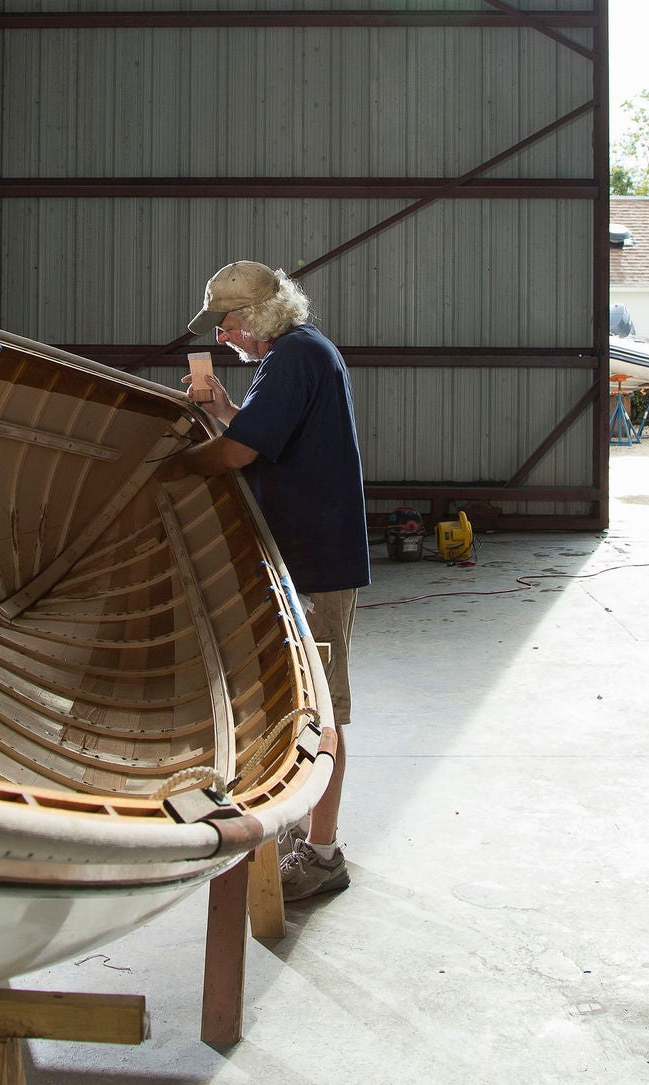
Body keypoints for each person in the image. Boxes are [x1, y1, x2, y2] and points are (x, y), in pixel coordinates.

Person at [166, 261, 369, 901]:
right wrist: (225, 408)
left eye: (225, 324)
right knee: (296, 701)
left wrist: (166, 470)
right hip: (302, 554)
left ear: (254, 319)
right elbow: (255, 435)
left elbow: (234, 456)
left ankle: (323, 853)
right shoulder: (294, 357)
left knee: (323, 709)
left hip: (315, 560)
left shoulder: (291, 359)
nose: (221, 336)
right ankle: (300, 829)